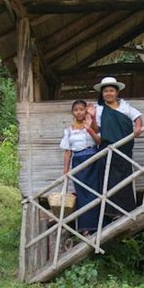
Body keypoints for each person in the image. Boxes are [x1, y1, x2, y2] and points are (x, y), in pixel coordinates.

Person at [88, 77, 142, 219]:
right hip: (108, 147)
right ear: (102, 93)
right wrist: (92, 117)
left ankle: (126, 210)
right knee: (109, 178)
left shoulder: (125, 106)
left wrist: (138, 128)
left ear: (117, 92)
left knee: (125, 176)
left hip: (124, 147)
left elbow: (137, 117)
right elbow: (96, 128)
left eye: (111, 90)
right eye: (105, 91)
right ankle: (112, 212)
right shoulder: (98, 109)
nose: (108, 93)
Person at [60, 99, 101, 235]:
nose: (78, 112)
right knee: (82, 193)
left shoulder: (92, 125)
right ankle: (85, 227)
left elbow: (99, 141)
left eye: (81, 109)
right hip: (78, 162)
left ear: (86, 111)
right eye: (76, 110)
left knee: (95, 191)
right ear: (72, 112)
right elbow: (68, 151)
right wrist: (66, 169)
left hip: (93, 160)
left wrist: (89, 128)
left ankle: (98, 225)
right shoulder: (69, 131)